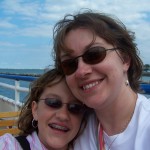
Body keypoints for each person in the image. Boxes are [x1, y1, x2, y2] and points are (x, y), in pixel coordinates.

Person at [52, 9, 150, 150]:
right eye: (69, 64)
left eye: (94, 54)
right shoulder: (74, 127)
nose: (81, 71)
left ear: (125, 59)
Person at [0, 69, 89, 150]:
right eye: (53, 102)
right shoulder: (10, 146)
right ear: (35, 109)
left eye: (75, 107)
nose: (63, 116)